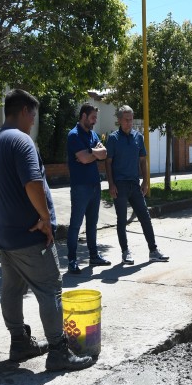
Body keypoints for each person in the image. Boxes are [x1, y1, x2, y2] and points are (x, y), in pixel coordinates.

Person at [0, 89, 93, 372]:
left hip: (4, 234)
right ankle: (59, 351)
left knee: (12, 288)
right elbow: (33, 183)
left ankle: (19, 342)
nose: (34, 122)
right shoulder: (21, 141)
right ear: (24, 111)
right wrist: (45, 219)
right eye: (33, 115)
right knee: (50, 287)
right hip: (28, 234)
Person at [104, 105, 169, 265]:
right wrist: (111, 184)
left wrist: (146, 181)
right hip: (119, 185)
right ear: (119, 121)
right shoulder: (113, 138)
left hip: (134, 184)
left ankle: (153, 251)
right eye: (126, 120)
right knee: (121, 220)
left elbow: (142, 160)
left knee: (145, 217)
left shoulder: (138, 137)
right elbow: (108, 162)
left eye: (131, 119)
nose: (129, 123)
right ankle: (125, 252)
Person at [66, 103, 110, 274]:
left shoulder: (92, 134)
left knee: (92, 224)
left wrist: (90, 152)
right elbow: (83, 159)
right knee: (75, 225)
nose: (94, 122)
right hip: (80, 187)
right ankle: (72, 261)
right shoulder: (74, 135)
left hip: (94, 186)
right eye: (92, 118)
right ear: (83, 116)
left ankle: (94, 256)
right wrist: (94, 154)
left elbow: (104, 153)